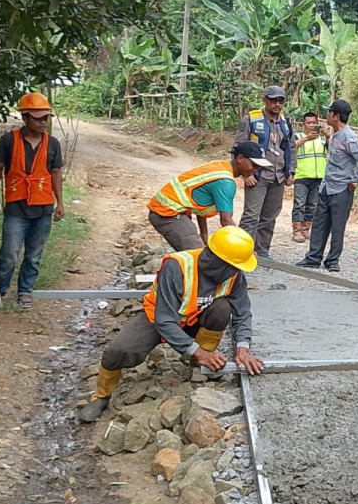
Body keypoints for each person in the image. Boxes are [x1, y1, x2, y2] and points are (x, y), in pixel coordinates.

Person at [78, 226, 264, 423]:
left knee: (221, 308)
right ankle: (101, 396)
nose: (237, 272)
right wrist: (196, 350)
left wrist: (243, 347)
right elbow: (164, 320)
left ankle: (198, 362)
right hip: (157, 318)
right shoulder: (177, 266)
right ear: (219, 262)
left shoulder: (233, 275)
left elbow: (242, 312)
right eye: (234, 267)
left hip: (193, 319)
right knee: (118, 350)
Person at [0, 93, 64, 309]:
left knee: (34, 255)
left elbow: (56, 173)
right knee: (9, 254)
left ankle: (25, 291)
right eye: (38, 118)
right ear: (25, 117)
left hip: (43, 208)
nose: (42, 122)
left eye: (45, 118)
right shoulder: (9, 140)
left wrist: (60, 203)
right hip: (16, 209)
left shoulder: (53, 144)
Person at [147, 142, 271, 252]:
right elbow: (226, 221)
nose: (255, 169)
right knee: (198, 257)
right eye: (253, 165)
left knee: (198, 253)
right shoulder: (225, 182)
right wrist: (244, 247)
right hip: (167, 213)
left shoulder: (220, 165)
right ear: (240, 158)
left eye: (258, 167)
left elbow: (200, 204)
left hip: (169, 211)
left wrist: (204, 234)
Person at [297, 100, 358, 272]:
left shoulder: (348, 136)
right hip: (327, 186)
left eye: (329, 113)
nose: (326, 116)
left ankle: (332, 261)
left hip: (341, 189)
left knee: (337, 226)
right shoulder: (336, 134)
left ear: (336, 116)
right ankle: (313, 257)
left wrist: (354, 181)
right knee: (319, 223)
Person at [235, 85, 296, 258]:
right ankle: (241, 252)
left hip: (278, 177)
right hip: (257, 176)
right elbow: (238, 148)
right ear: (265, 100)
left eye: (281, 100)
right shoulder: (251, 119)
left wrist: (291, 171)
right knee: (251, 216)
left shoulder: (285, 122)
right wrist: (246, 175)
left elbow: (290, 148)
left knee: (269, 217)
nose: (277, 104)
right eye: (273, 100)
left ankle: (262, 252)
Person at [292, 112, 327, 244]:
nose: (312, 125)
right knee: (299, 204)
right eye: (309, 123)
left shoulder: (323, 139)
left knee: (312, 205)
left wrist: (328, 135)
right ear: (303, 125)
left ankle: (306, 228)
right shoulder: (298, 136)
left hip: (318, 176)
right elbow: (291, 147)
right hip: (301, 176)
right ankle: (297, 230)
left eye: (314, 123)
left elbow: (332, 148)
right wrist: (307, 138)